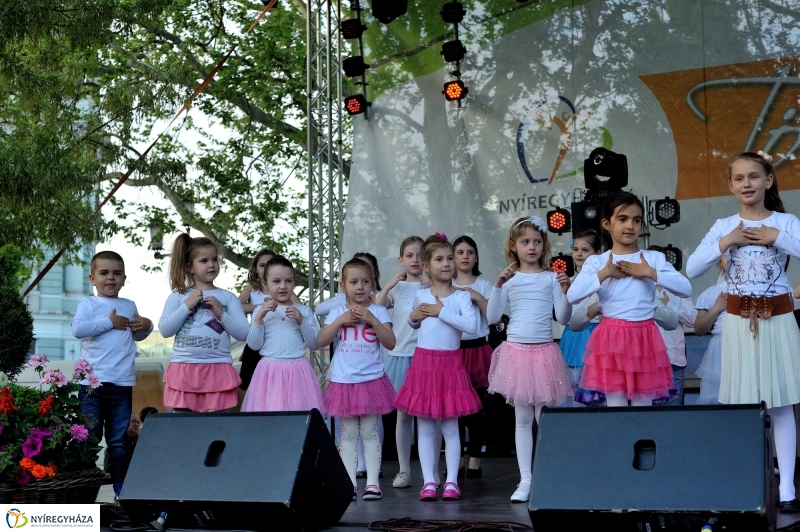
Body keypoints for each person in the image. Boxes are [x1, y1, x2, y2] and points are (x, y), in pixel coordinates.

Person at [686, 151, 800, 512]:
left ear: (768, 180)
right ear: (731, 186)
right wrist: (727, 241)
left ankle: (786, 489)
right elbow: (691, 268)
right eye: (739, 178)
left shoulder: (786, 222)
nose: (746, 183)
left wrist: (776, 236)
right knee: (743, 406)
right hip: (737, 323)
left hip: (778, 320)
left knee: (781, 405)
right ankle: (748, 480)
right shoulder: (723, 226)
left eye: (754, 176)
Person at [568, 192, 691, 411]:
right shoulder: (598, 261)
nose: (630, 226)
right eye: (622, 219)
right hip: (611, 339)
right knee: (617, 409)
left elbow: (685, 288)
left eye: (636, 220)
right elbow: (573, 295)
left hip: (645, 338)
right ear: (607, 223)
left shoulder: (653, 258)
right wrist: (606, 273)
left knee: (642, 410)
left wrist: (651, 273)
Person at [486, 216, 574, 503]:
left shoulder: (551, 278)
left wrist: (565, 292)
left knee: (544, 419)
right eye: (525, 242)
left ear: (544, 244)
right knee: (522, 420)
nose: (532, 247)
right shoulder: (509, 281)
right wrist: (498, 286)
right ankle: (525, 480)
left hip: (544, 353)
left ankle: (547, 475)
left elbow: (563, 318)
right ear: (514, 246)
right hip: (516, 354)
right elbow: (493, 317)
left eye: (537, 241)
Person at [393, 234, 481, 502]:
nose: (447, 263)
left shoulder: (461, 297)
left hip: (450, 365)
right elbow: (414, 323)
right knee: (426, 428)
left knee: (451, 428)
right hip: (424, 365)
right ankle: (429, 481)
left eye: (450, 258)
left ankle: (452, 481)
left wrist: (440, 311)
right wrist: (413, 317)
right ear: (427, 266)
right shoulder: (420, 294)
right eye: (439, 259)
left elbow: (471, 326)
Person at [72, 250, 153, 497]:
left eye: (116, 273)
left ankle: (122, 491)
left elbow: (136, 333)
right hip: (92, 386)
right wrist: (110, 322)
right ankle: (84, 492)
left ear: (124, 278)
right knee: (89, 440)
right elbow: (78, 329)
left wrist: (147, 325)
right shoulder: (88, 303)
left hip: (121, 384)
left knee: (118, 441)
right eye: (104, 273)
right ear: (92, 278)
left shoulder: (128, 305)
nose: (110, 278)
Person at [319, 258, 397, 501]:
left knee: (371, 432)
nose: (360, 286)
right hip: (344, 382)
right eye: (354, 282)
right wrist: (341, 320)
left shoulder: (379, 311)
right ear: (343, 285)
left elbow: (391, 342)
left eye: (366, 281)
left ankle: (372, 483)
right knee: (348, 434)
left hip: (372, 381)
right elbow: (321, 340)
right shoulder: (336, 312)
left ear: (373, 283)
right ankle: (349, 483)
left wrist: (373, 320)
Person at [159, 234, 249, 412]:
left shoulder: (228, 297)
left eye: (215, 259)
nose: (211, 264)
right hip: (184, 368)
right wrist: (186, 306)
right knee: (184, 430)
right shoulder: (178, 296)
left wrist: (222, 314)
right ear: (189, 267)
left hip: (218, 368)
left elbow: (243, 332)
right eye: (204, 260)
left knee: (218, 428)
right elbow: (164, 329)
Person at [374, 237, 427, 489]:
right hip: (401, 357)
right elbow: (377, 308)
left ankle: (431, 472)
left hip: (428, 357)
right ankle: (404, 470)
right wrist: (388, 285)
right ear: (401, 260)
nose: (414, 260)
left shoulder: (433, 285)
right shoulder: (397, 288)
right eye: (409, 255)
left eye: (419, 255)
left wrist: (430, 287)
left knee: (430, 416)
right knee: (403, 417)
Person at [241, 256, 324, 412]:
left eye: (288, 281)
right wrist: (258, 318)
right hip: (269, 371)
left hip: (298, 371)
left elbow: (314, 344)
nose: (283, 286)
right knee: (270, 416)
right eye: (276, 281)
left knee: (298, 415)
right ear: (265, 283)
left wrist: (301, 321)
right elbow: (254, 345)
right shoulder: (261, 310)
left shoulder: (304, 310)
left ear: (294, 282)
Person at [451, 235, 493, 478]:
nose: (465, 256)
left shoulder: (485, 284)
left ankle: (475, 459)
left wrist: (477, 297)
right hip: (454, 352)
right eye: (460, 252)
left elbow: (494, 317)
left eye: (469, 252)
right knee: (454, 410)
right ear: (452, 257)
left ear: (476, 256)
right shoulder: (446, 285)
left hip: (479, 352)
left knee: (477, 408)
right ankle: (456, 460)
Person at [648, 246, 697, 406]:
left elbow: (694, 321)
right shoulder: (638, 289)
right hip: (647, 364)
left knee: (674, 418)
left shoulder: (678, 289)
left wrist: (670, 304)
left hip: (673, 361)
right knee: (648, 419)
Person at [559, 230, 603, 406]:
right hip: (571, 338)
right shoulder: (569, 281)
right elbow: (563, 316)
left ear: (598, 254)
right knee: (574, 394)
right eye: (576, 249)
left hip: (593, 335)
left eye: (585, 250)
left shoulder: (601, 281)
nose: (578, 254)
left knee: (594, 394)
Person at [237, 248, 277, 393]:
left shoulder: (283, 288)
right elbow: (237, 307)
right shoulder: (251, 288)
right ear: (255, 269)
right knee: (252, 386)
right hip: (256, 344)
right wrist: (260, 307)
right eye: (262, 265)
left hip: (276, 344)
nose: (266, 268)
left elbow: (299, 307)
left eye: (271, 263)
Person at [692, 258, 728, 405]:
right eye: (728, 254)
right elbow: (699, 329)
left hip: (747, 346)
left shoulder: (754, 290)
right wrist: (716, 308)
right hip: (720, 350)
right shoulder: (711, 293)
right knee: (717, 398)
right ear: (719, 262)